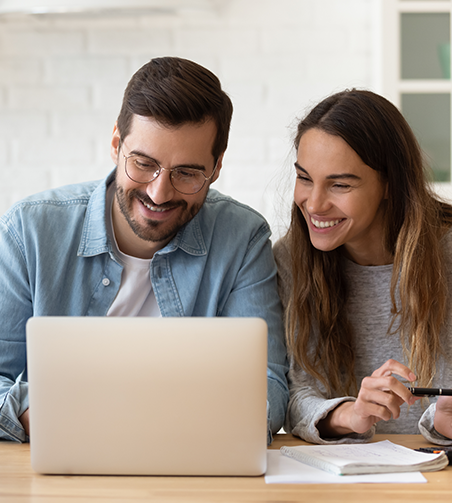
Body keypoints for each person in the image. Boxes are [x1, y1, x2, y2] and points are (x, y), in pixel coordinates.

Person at [0, 56, 289, 444]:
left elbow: (266, 386)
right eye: (143, 163)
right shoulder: (29, 231)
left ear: (216, 167)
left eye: (186, 173)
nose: (159, 192)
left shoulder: (243, 239)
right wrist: (62, 421)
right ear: (117, 144)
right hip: (65, 458)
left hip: (189, 464)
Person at [274, 89, 452, 445]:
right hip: (346, 479)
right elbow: (296, 396)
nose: (314, 203)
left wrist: (443, 423)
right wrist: (352, 414)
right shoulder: (291, 258)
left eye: (340, 184)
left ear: (390, 184)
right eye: (305, 178)